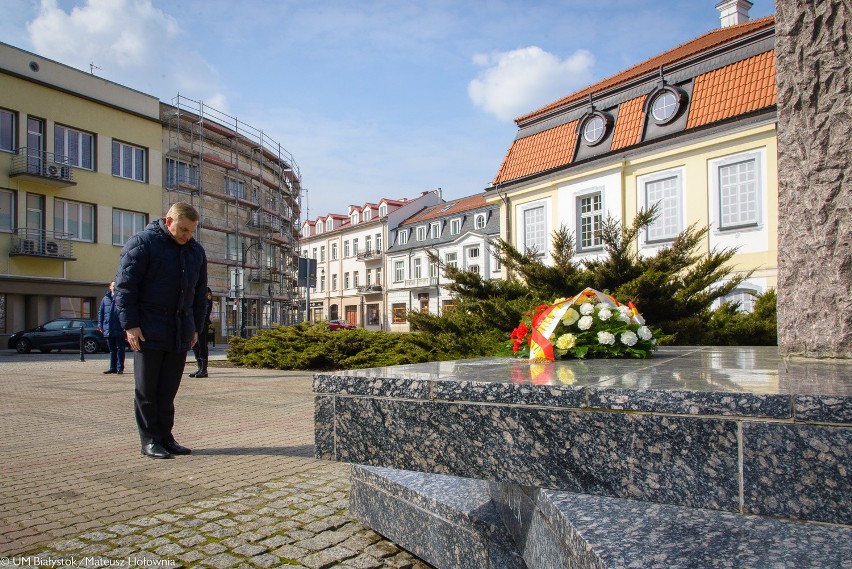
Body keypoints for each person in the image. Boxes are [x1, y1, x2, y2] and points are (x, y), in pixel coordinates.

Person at [114, 202, 207, 460]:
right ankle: (150, 440)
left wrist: (195, 327)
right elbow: (125, 288)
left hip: (179, 331)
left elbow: (199, 295)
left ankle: (167, 438)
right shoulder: (143, 244)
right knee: (147, 390)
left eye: (191, 231)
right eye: (183, 229)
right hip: (148, 330)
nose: (187, 236)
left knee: (168, 391)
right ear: (168, 222)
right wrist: (130, 325)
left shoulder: (195, 252)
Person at [97, 281, 125, 374]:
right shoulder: (105, 299)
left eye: (116, 285)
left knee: (120, 349)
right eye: (113, 285)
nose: (114, 287)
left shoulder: (121, 297)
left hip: (119, 328)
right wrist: (100, 325)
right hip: (108, 328)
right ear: (110, 287)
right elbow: (101, 312)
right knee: (112, 350)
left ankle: (120, 367)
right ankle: (113, 367)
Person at [189, 287, 213, 378]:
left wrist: (203, 321)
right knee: (194, 345)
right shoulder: (192, 288)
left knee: (202, 345)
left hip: (202, 323)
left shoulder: (206, 290)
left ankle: (204, 369)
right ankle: (199, 367)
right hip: (192, 322)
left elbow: (208, 306)